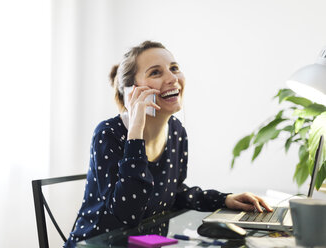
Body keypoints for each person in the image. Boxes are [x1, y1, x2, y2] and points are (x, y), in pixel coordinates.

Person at [64, 40, 272, 247]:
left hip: (146, 243)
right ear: (132, 91)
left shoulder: (177, 132)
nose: (173, 78)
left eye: (174, 68)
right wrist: (136, 131)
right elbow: (126, 214)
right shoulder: (108, 133)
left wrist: (224, 200)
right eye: (155, 72)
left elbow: (174, 193)